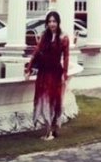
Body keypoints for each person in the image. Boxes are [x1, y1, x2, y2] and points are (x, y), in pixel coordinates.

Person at [25, 10, 70, 140]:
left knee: (54, 100)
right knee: (45, 100)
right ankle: (49, 131)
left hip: (55, 72)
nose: (52, 24)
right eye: (49, 21)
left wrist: (65, 74)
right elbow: (36, 52)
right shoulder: (44, 36)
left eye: (54, 21)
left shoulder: (64, 37)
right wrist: (29, 69)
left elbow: (66, 57)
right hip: (44, 72)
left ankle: (52, 131)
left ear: (58, 22)